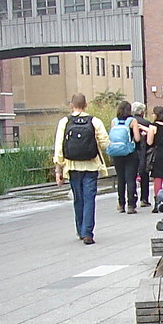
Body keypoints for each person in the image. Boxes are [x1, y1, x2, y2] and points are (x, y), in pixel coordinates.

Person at [53, 93, 110, 245]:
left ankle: (80, 229)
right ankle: (88, 233)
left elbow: (59, 147)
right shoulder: (94, 121)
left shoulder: (64, 122)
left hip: (72, 166)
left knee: (78, 198)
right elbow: (105, 142)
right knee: (89, 198)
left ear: (71, 105)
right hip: (91, 165)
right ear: (86, 105)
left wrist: (58, 170)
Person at [107, 101, 140, 214]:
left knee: (121, 179)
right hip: (130, 153)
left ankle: (121, 204)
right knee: (130, 179)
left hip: (117, 154)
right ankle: (131, 205)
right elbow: (137, 138)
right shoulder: (132, 121)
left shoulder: (114, 121)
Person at [131, 103, 154, 207]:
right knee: (144, 175)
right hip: (144, 151)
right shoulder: (147, 123)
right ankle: (144, 199)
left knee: (131, 176)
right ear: (142, 112)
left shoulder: (129, 122)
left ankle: (131, 198)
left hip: (131, 151)